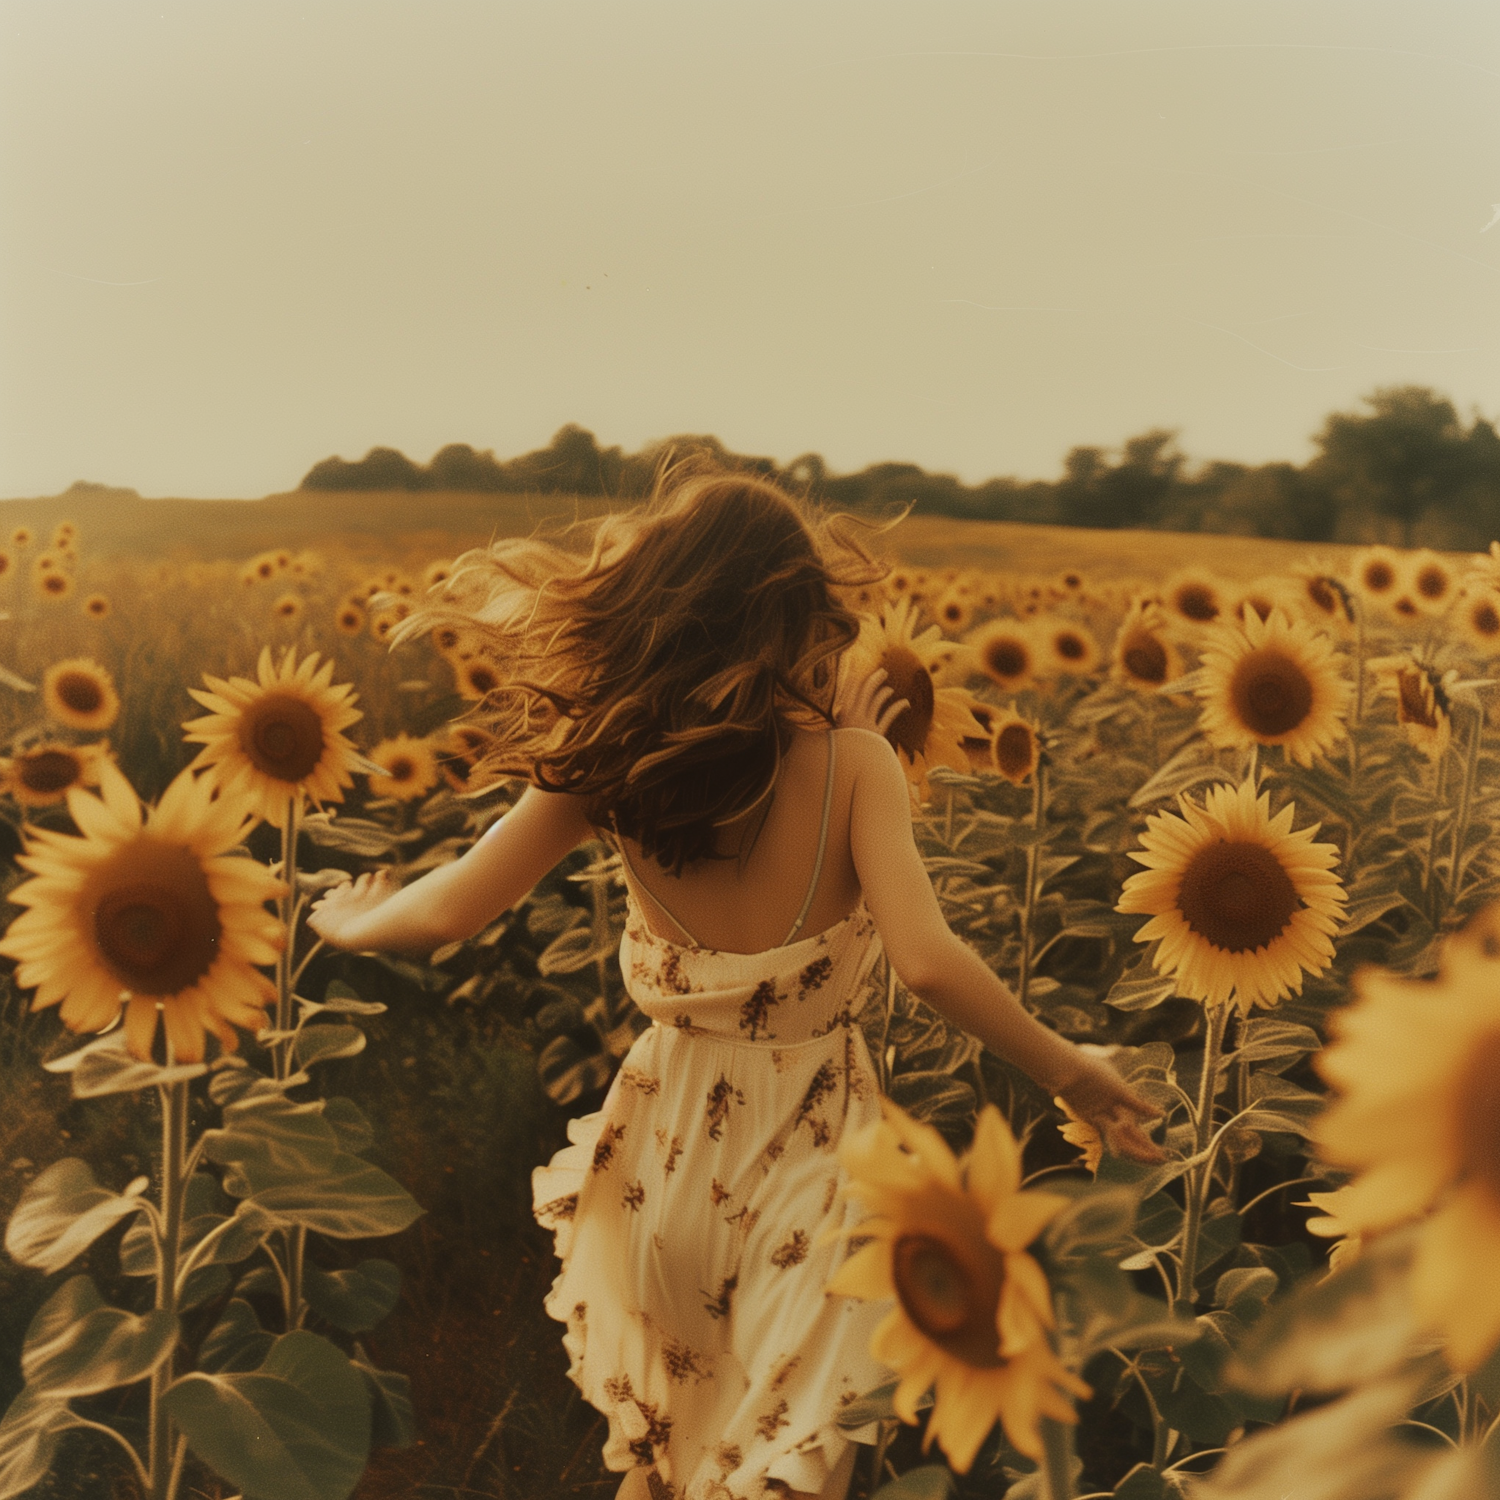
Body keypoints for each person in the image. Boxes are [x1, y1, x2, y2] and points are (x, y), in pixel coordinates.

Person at [307, 462, 1163, 1500]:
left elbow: (444, 909)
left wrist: (352, 923)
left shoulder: (612, 759)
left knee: (680, 1459)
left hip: (660, 1161)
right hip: (804, 1169)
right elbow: (929, 962)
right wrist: (1067, 1069)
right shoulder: (856, 766)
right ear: (785, 615)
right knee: (785, 1468)